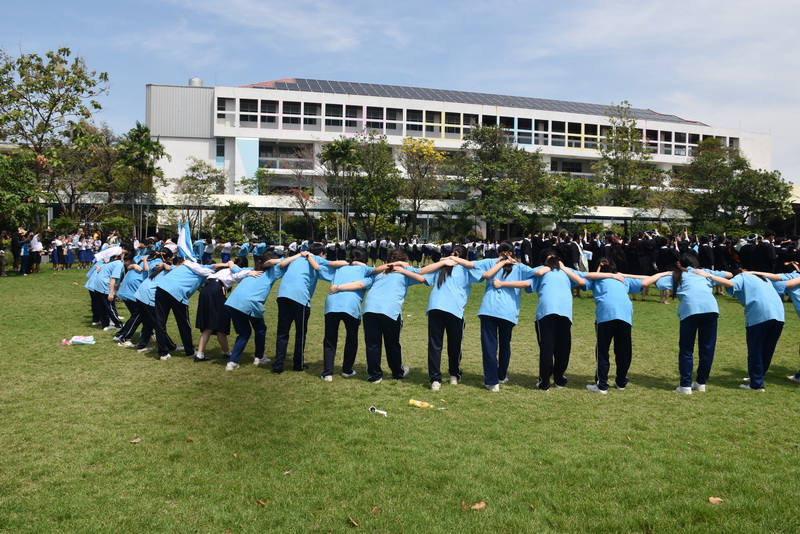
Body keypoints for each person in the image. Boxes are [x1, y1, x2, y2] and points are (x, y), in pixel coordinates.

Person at [642, 251, 732, 394]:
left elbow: (649, 282)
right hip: (710, 309)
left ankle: (685, 385)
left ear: (680, 264)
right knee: (707, 348)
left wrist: (663, 273)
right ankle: (701, 382)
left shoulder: (676, 275)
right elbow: (729, 275)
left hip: (690, 310)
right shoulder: (704, 272)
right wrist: (709, 275)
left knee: (686, 349)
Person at [564, 257, 645, 394]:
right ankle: (621, 382)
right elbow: (646, 280)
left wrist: (562, 267)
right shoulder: (623, 280)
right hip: (624, 316)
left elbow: (581, 279)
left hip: (605, 316)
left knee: (602, 351)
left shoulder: (596, 280)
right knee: (624, 351)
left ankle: (602, 385)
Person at [702, 268, 786, 390]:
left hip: (759, 315)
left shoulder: (742, 277)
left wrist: (708, 275)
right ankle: (758, 377)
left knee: (755, 350)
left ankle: (756, 384)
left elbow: (730, 284)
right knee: (767, 350)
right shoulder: (763, 279)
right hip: (779, 315)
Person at [272, 243, 345, 374]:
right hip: (300, 297)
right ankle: (298, 364)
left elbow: (280, 264)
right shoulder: (316, 258)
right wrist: (352, 262)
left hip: (283, 294)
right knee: (300, 333)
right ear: (321, 254)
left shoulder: (296, 258)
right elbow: (334, 264)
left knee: (282, 332)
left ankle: (278, 365)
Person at [223, 253, 301, 371]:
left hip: (233, 301)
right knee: (260, 329)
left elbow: (234, 268)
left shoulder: (250, 270)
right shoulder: (272, 271)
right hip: (251, 303)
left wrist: (230, 262)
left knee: (244, 333)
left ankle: (232, 362)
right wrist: (299, 254)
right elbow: (280, 263)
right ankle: (259, 357)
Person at [476, 241, 537, 391]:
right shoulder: (520, 267)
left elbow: (471, 264)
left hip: (489, 309)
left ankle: (492, 381)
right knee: (505, 345)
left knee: (489, 347)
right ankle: (501, 375)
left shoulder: (492, 263)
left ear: (499, 253)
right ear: (512, 253)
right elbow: (537, 273)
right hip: (508, 312)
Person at [419, 245, 477, 390]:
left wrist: (444, 260)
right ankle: (454, 375)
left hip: (435, 307)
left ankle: (435, 379)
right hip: (454, 309)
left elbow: (422, 276)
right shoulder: (466, 269)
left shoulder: (441, 266)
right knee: (455, 344)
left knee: (435, 345)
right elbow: (484, 274)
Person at [152, 257, 234, 361]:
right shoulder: (204, 269)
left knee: (160, 322)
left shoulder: (188, 264)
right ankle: (189, 351)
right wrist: (229, 264)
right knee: (184, 323)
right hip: (177, 292)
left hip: (161, 287)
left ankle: (163, 353)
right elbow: (215, 266)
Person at [361, 250, 424, 383]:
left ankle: (375, 375)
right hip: (389, 310)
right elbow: (422, 277)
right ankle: (397, 372)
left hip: (370, 309)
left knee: (372, 344)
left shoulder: (379, 272)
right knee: (392, 343)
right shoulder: (404, 273)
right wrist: (405, 267)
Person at [316, 248, 374, 381]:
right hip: (351, 305)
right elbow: (367, 279)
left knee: (330, 339)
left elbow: (320, 267)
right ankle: (347, 370)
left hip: (332, 303)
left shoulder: (339, 268)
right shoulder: (366, 271)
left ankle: (327, 373)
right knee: (351, 339)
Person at [193, 256, 255, 363]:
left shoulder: (223, 270)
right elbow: (241, 272)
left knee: (209, 324)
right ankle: (226, 353)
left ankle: (201, 354)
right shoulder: (236, 270)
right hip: (216, 290)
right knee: (222, 323)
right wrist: (251, 271)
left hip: (206, 290)